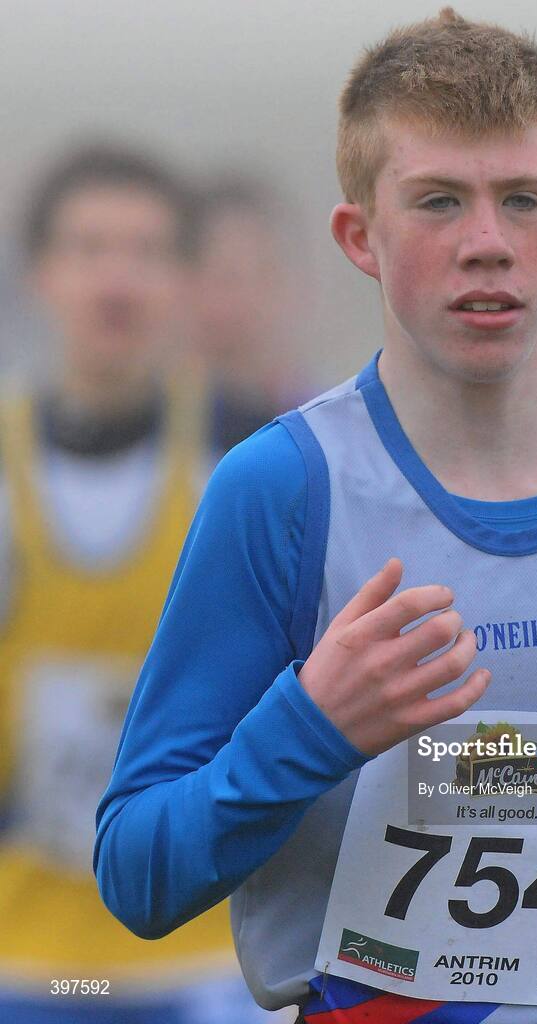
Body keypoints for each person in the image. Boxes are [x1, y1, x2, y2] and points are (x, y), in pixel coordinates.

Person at [95, 9, 537, 1024]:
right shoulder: (282, 493)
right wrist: (312, 726)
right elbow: (137, 872)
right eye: (436, 202)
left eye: (521, 200)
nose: (486, 244)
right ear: (359, 237)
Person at [0, 143, 274, 1022]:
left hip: (203, 958)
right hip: (25, 956)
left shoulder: (254, 459)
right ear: (41, 272)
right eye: (88, 249)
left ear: (189, 281)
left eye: (147, 252)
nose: (115, 281)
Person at [188, 175, 308, 454]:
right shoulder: (144, 434)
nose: (243, 299)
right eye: (225, 277)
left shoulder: (329, 428)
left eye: (263, 274)